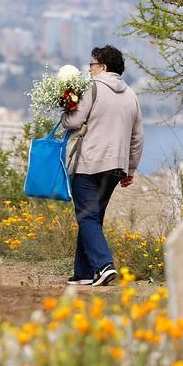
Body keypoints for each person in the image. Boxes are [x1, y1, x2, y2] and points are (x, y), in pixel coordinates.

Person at [62, 45, 144, 286]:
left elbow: (74, 120)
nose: (89, 70)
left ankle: (104, 265)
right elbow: (138, 137)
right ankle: (84, 272)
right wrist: (130, 169)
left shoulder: (92, 88)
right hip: (116, 166)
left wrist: (65, 113)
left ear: (103, 67)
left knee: (87, 217)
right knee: (92, 217)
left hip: (89, 162)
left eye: (92, 65)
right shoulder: (131, 95)